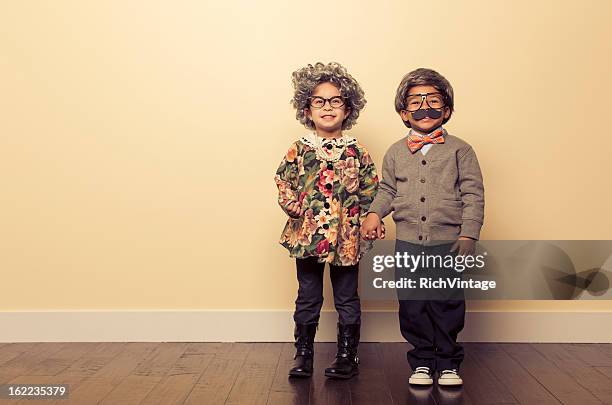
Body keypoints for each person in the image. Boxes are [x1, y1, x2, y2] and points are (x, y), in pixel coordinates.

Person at [361, 68, 485, 386]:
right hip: (408, 242)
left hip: (448, 242)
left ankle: (447, 363)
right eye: (416, 101)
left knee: (447, 302)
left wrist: (469, 231)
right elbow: (387, 189)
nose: (425, 107)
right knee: (413, 304)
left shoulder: (461, 150)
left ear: (447, 109)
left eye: (433, 100)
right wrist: (375, 214)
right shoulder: (395, 152)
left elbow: (473, 193)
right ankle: (422, 361)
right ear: (404, 112)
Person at [275, 62, 378, 379]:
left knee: (347, 297)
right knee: (308, 295)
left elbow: (371, 188)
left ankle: (347, 355)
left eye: (335, 101)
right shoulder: (300, 148)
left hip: (345, 238)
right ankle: (303, 353)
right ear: (307, 109)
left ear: (348, 108)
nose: (327, 107)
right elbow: (283, 181)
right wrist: (293, 206)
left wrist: (367, 220)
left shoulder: (357, 151)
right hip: (308, 236)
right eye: (319, 101)